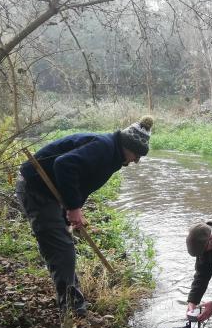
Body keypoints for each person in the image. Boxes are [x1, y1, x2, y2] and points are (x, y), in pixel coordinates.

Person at [15, 117, 153, 316]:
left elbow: (82, 179)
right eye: (136, 155)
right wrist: (72, 207)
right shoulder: (104, 148)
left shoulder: (112, 154)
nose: (136, 161)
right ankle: (73, 310)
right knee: (62, 248)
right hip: (36, 188)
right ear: (127, 146)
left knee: (62, 244)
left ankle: (72, 300)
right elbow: (64, 165)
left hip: (50, 192)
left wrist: (75, 207)